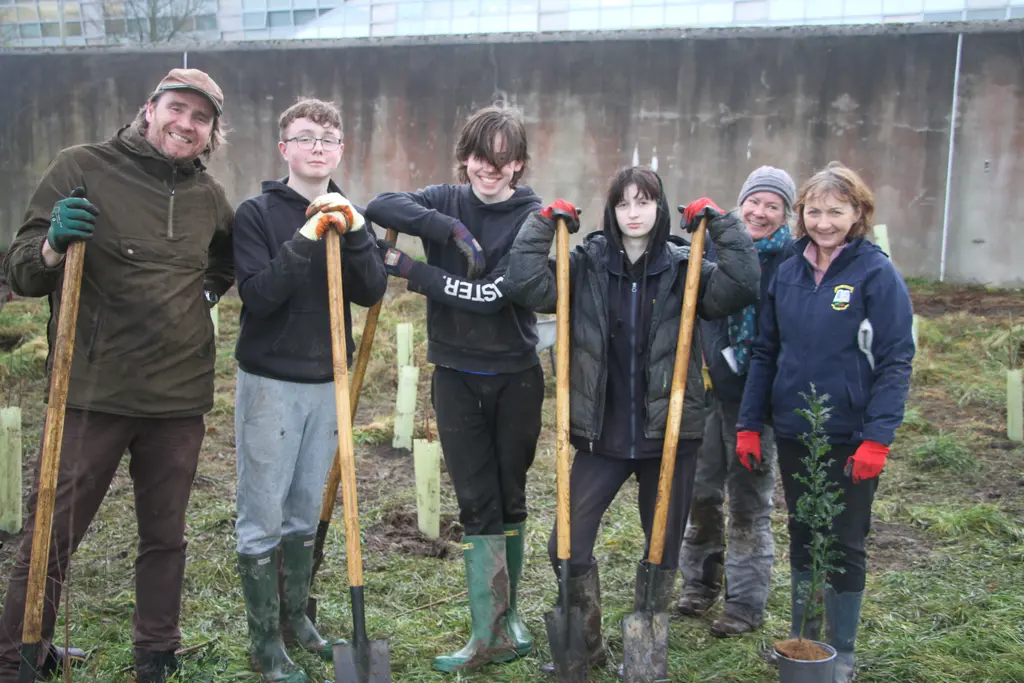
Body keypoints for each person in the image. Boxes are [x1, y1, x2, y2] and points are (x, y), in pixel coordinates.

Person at [0, 68, 234, 683]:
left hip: (177, 399)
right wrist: (52, 246)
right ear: (149, 108)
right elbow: (21, 272)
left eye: (201, 118)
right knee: (51, 534)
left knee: (166, 536)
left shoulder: (209, 197)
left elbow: (224, 259)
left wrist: (205, 297)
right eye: (177, 108)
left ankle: (156, 655)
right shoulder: (82, 167)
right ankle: (20, 658)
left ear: (211, 132)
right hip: (90, 392)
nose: (186, 124)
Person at [504, 165, 760, 675]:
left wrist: (722, 223)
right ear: (611, 211)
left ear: (660, 208)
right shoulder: (585, 265)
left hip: (669, 436)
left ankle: (646, 642)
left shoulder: (687, 268)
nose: (634, 212)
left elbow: (742, 285)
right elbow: (525, 283)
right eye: (624, 203)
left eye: (644, 202)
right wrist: (541, 224)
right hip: (602, 435)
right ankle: (587, 645)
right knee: (566, 545)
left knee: (660, 548)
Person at [364, 104, 544, 673]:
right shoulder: (445, 199)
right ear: (464, 157)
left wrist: (410, 269)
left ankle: (510, 618)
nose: (489, 169)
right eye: (478, 157)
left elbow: (492, 295)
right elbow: (380, 205)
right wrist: (449, 229)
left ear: (518, 164)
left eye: (502, 160)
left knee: (511, 496)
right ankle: (486, 630)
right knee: (475, 501)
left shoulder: (532, 216)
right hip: (455, 377)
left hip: (515, 376)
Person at [737, 162, 915, 683]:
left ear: (858, 213)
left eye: (836, 212)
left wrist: (877, 438)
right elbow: (765, 350)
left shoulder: (874, 273)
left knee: (844, 539)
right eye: (813, 212)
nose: (823, 222)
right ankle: (804, 640)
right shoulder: (788, 270)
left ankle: (842, 651)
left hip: (850, 433)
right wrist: (750, 422)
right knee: (803, 529)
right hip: (796, 427)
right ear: (801, 214)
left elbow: (896, 359)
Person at [231, 98, 388, 683]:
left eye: (327, 138)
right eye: (304, 137)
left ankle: (296, 616)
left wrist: (357, 231)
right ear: (284, 149)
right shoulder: (256, 214)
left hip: (329, 381)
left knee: (303, 509)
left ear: (340, 150)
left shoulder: (349, 216)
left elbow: (371, 291)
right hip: (271, 382)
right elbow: (258, 296)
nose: (317, 147)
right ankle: (265, 642)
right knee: (263, 513)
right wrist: (305, 235)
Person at [678, 166, 797, 636]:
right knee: (701, 493)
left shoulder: (791, 259)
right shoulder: (712, 246)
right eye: (754, 202)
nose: (760, 213)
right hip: (710, 390)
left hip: (758, 399)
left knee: (749, 502)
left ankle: (745, 604)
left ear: (786, 214)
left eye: (773, 206)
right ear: (740, 202)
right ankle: (699, 583)